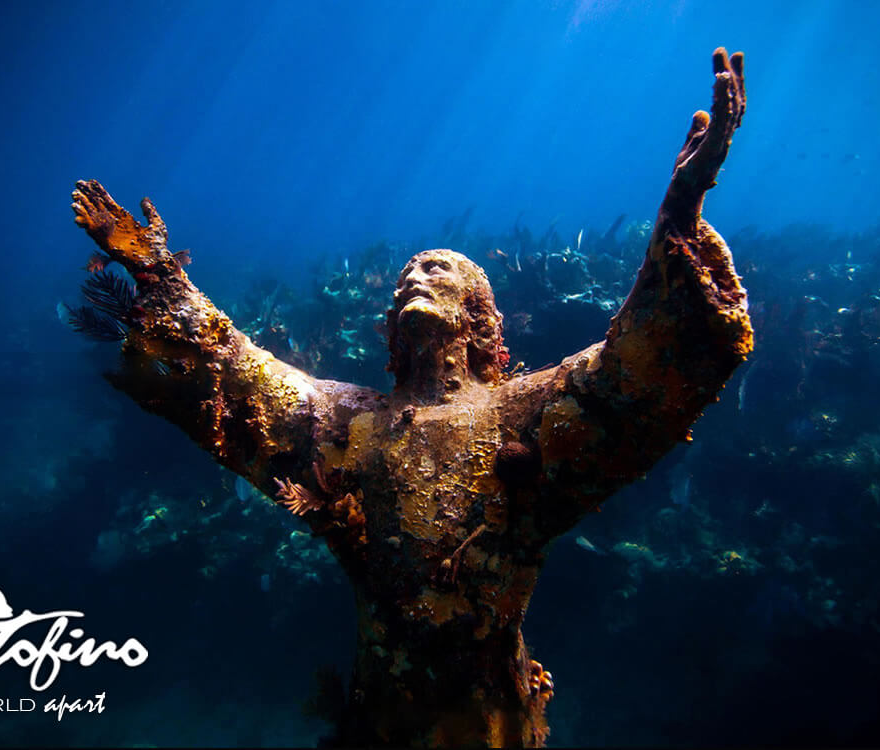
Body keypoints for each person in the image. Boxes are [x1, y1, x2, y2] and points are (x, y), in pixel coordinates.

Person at [70, 48, 751, 748]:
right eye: (403, 275)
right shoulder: (350, 423)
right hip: (381, 721)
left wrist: (680, 208)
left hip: (493, 724)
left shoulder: (523, 414)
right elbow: (241, 375)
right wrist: (154, 268)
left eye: (436, 268)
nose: (411, 279)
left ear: (479, 313)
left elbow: (631, 373)